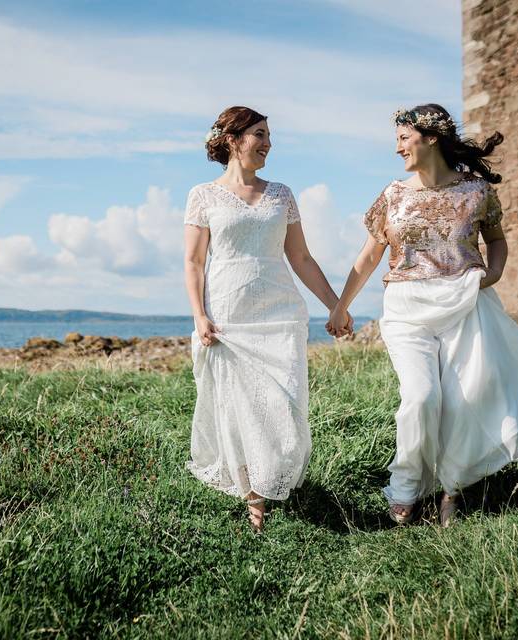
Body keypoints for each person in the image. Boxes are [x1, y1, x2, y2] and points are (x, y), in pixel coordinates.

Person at [327, 104, 518, 527]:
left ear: (431, 138)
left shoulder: (476, 191)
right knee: (421, 397)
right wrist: (341, 305)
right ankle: (406, 486)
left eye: (404, 138)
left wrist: (493, 273)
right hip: (407, 308)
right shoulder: (394, 195)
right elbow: (371, 254)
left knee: (463, 402)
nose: (397, 148)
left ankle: (451, 490)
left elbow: (495, 239)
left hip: (465, 301)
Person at [184, 106, 348, 532]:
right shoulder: (203, 195)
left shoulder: (282, 194)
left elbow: (302, 257)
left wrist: (335, 304)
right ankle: (254, 497)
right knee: (238, 406)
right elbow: (194, 262)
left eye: (269, 135)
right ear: (233, 140)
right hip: (228, 316)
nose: (268, 144)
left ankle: (270, 478)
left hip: (280, 313)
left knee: (283, 404)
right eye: (259, 134)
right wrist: (200, 315)